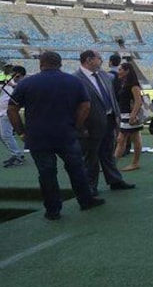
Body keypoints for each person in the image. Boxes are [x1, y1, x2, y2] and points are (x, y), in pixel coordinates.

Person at [7, 51, 105, 220]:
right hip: (66, 133)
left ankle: (53, 210)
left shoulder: (27, 83)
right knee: (77, 169)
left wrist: (21, 131)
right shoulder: (73, 81)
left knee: (46, 173)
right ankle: (85, 200)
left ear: (41, 64)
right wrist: (76, 125)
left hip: (38, 136)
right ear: (60, 64)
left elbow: (12, 109)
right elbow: (86, 106)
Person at [74, 50, 135, 195]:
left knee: (108, 152)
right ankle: (91, 186)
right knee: (91, 156)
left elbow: (112, 96)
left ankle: (114, 180)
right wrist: (80, 125)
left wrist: (117, 115)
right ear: (89, 60)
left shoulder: (104, 75)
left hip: (109, 119)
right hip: (90, 123)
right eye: (99, 58)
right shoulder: (76, 79)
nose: (101, 61)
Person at [0, 66, 27, 167]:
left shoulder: (23, 84)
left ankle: (17, 156)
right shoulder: (7, 82)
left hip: (7, 113)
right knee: (0, 137)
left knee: (6, 135)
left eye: (14, 74)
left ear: (19, 74)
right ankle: (16, 154)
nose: (11, 75)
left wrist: (13, 85)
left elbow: (21, 98)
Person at [113, 62, 143, 171]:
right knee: (123, 139)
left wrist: (133, 115)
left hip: (131, 116)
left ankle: (134, 163)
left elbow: (138, 101)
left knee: (128, 139)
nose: (118, 71)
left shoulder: (133, 85)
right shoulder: (124, 83)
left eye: (120, 69)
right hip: (125, 115)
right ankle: (114, 164)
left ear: (127, 71)